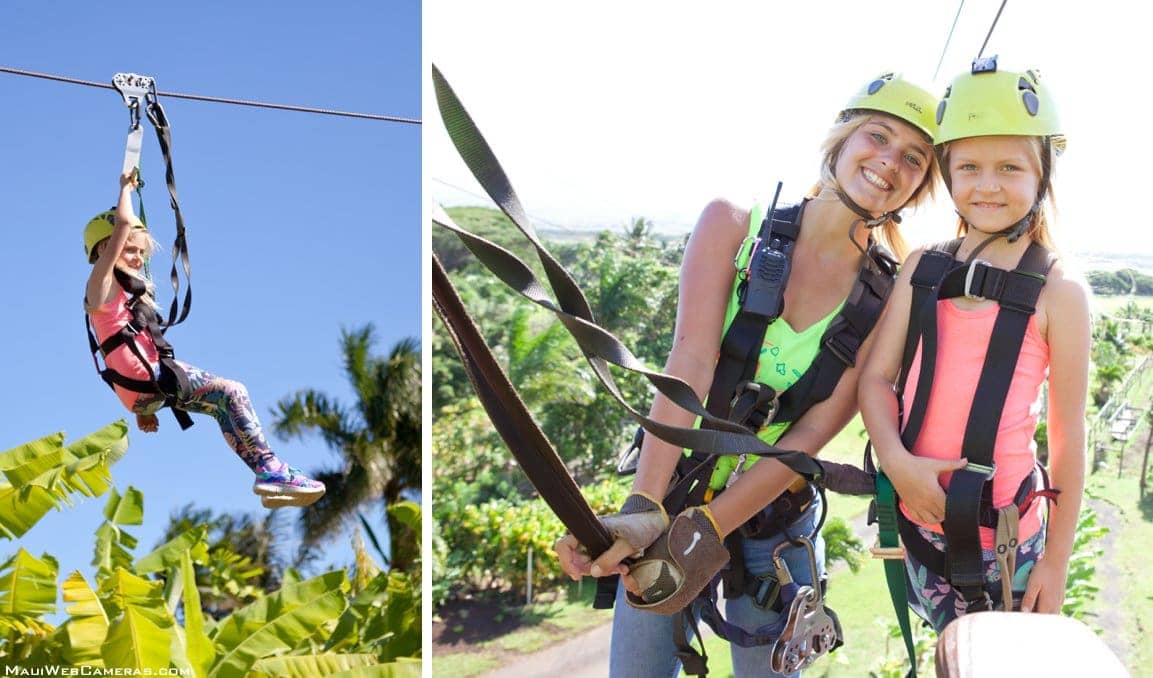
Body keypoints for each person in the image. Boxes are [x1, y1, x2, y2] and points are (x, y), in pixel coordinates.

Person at [554, 72, 940, 676]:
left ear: (919, 185)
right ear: (840, 140)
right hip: (674, 487)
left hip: (773, 524)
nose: (889, 163)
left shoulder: (886, 296)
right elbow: (690, 363)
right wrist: (647, 507)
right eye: (878, 136)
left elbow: (810, 433)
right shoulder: (734, 227)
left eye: (914, 158)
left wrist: (708, 529)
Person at [858, 57, 1089, 631]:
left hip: (1004, 548)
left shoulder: (1059, 291)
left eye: (1009, 166)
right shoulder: (924, 267)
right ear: (949, 174)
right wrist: (897, 462)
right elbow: (875, 379)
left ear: (1042, 178)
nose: (987, 185)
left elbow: (1068, 435)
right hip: (917, 527)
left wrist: (1057, 562)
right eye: (969, 167)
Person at [84, 169, 326, 509]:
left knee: (222, 407)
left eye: (141, 254)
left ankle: (267, 474)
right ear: (106, 247)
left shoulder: (123, 296)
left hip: (142, 388)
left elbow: (121, 349)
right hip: (146, 380)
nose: (138, 259)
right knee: (233, 391)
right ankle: (271, 470)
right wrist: (125, 189)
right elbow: (123, 225)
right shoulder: (102, 285)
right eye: (130, 251)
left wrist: (146, 406)